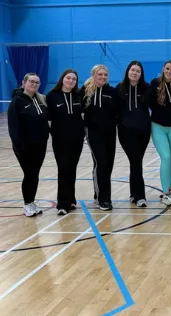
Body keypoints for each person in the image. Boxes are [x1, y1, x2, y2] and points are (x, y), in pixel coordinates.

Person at [9, 73, 49, 217]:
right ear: (24, 83)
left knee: (35, 174)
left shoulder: (40, 99)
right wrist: (19, 147)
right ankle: (27, 204)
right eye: (31, 82)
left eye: (37, 82)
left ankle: (31, 202)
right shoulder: (17, 102)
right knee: (29, 174)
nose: (34, 84)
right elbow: (14, 127)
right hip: (25, 147)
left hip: (40, 145)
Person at [46, 69, 84, 215]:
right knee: (63, 169)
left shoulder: (78, 95)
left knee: (72, 169)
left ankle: (71, 199)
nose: (71, 81)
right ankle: (62, 203)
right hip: (60, 141)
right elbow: (48, 120)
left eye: (74, 79)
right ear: (63, 79)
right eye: (68, 78)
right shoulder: (51, 96)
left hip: (77, 139)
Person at [83, 64, 119, 211]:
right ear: (94, 75)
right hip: (93, 132)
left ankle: (99, 193)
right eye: (100, 74)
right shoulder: (85, 92)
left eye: (105, 75)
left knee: (108, 165)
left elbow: (118, 111)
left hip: (110, 132)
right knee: (101, 163)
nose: (103, 77)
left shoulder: (112, 92)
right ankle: (103, 199)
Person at [117, 61, 151, 207]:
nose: (135, 73)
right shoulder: (119, 88)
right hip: (126, 132)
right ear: (128, 71)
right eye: (132, 70)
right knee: (136, 161)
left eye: (138, 71)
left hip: (143, 132)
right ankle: (140, 196)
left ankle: (133, 193)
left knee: (135, 162)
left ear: (141, 74)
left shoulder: (146, 88)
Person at [148, 60, 171, 206]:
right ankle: (165, 194)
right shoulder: (154, 83)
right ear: (163, 69)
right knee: (166, 157)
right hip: (158, 127)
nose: (169, 71)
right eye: (167, 68)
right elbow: (147, 103)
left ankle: (170, 189)